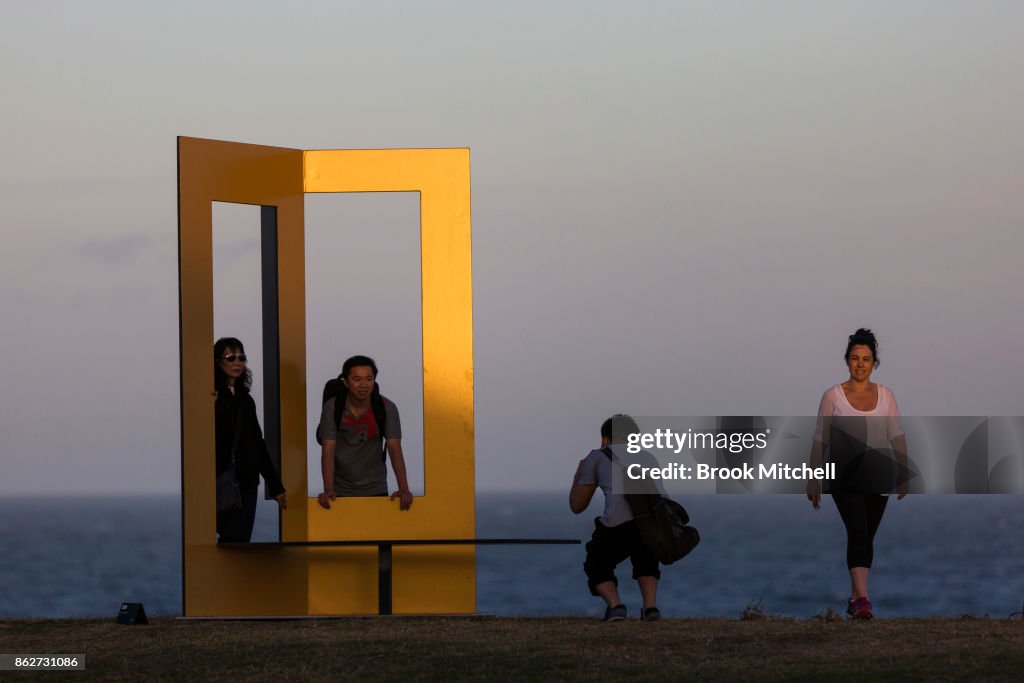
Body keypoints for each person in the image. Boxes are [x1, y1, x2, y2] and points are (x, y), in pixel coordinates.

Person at [806, 328, 908, 619]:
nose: (860, 364)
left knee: (865, 538)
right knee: (859, 531)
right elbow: (820, 438)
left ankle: (854, 600)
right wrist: (812, 477)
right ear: (846, 361)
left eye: (866, 359)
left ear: (874, 362)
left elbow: (896, 434)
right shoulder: (833, 397)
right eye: (854, 358)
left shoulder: (886, 396)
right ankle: (864, 599)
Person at [569, 414, 663, 622]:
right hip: (652, 522)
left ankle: (616, 606)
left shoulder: (598, 456)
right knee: (645, 559)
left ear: (605, 439)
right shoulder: (648, 457)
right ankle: (650, 609)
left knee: (596, 563)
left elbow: (577, 506)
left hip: (618, 524)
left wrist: (579, 474)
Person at [316, 355, 413, 510]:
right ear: (346, 382)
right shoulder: (333, 407)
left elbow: (394, 447)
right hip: (340, 489)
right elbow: (328, 449)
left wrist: (404, 489)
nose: (363, 385)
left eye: (369, 379)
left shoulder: (386, 407)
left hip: (376, 487)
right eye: (357, 379)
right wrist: (328, 489)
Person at [214, 337, 287, 543]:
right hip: (222, 479)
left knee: (242, 539)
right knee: (229, 537)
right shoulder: (211, 397)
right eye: (231, 357)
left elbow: (257, 443)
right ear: (218, 362)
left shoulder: (245, 399)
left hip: (247, 480)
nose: (238, 362)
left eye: (241, 357)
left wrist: (275, 485)